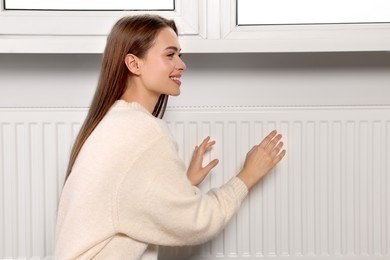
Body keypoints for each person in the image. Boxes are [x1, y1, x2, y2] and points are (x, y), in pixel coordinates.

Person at [54, 14, 286, 260]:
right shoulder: (143, 130)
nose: (182, 65)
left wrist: (182, 185)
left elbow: (129, 204)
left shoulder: (116, 122)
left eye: (180, 55)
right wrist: (247, 175)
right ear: (134, 64)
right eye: (169, 55)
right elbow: (198, 223)